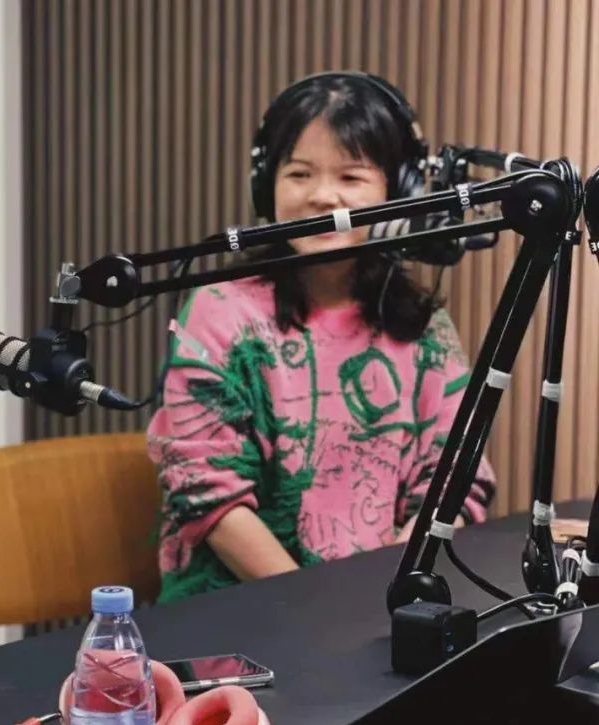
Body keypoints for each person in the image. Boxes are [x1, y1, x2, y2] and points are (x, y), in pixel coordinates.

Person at [147, 72, 496, 604]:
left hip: (382, 606)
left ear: (398, 190)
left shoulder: (425, 330)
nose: (322, 196)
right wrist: (316, 608)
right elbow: (204, 487)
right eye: (299, 174)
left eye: (351, 176)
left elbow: (454, 478)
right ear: (267, 186)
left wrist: (385, 598)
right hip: (239, 610)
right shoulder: (219, 313)